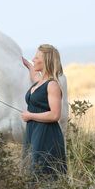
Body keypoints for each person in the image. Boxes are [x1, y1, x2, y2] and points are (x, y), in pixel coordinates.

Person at [21, 44, 67, 180]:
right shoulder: (39, 82)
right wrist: (27, 64)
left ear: (46, 60)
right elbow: (34, 75)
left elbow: (55, 115)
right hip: (33, 131)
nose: (33, 59)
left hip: (47, 135)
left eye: (36, 57)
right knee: (31, 171)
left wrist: (30, 115)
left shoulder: (52, 85)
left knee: (43, 175)